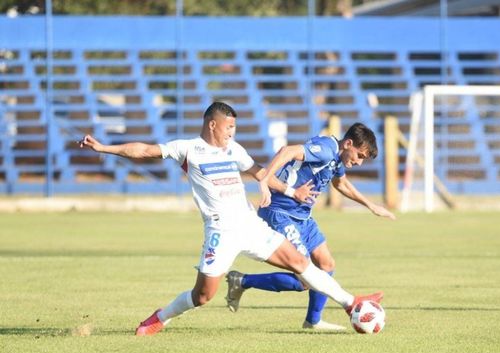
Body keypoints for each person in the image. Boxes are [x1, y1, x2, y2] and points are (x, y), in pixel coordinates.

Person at [78, 101, 383, 335]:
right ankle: (160, 318)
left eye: (234, 130)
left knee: (300, 264)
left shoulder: (234, 150)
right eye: (228, 129)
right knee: (203, 296)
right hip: (220, 231)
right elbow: (144, 150)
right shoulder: (188, 149)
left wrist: (286, 189)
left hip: (249, 224)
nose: (232, 134)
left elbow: (261, 173)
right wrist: (105, 147)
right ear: (212, 125)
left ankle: (350, 303)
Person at [224, 123, 396, 331]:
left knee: (326, 264)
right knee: (304, 279)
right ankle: (242, 281)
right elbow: (287, 151)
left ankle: (312, 321)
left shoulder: (337, 157)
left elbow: (340, 184)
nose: (359, 162)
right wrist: (266, 179)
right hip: (281, 213)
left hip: (303, 217)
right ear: (348, 143)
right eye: (359, 155)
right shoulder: (326, 150)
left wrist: (371, 205)